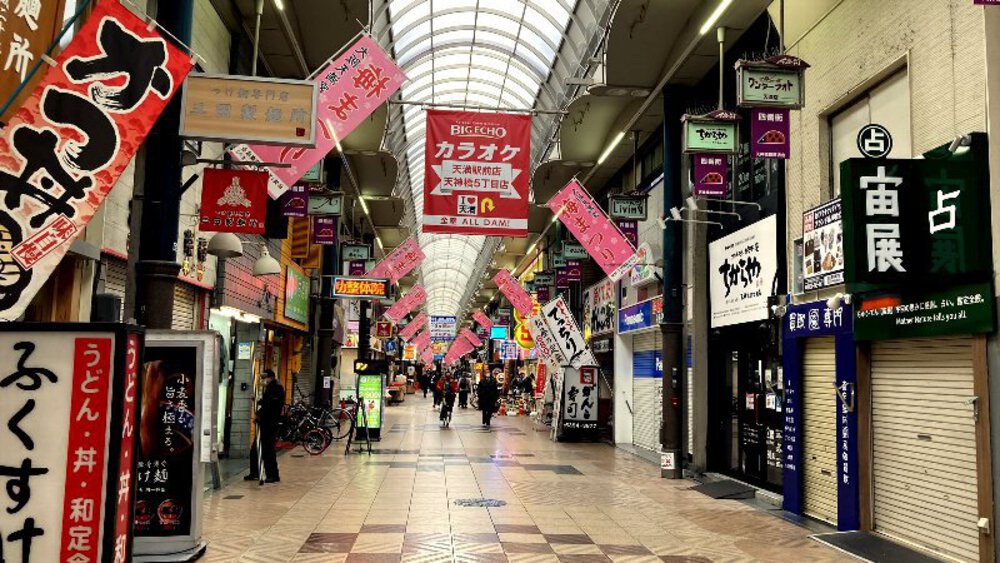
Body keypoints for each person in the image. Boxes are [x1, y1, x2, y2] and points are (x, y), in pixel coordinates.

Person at [245, 370, 284, 483]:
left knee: (267, 449)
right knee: (255, 449)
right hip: (265, 423)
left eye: (264, 378)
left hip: (269, 424)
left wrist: (259, 414)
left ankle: (273, 475)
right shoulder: (271, 388)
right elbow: (267, 403)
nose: (263, 380)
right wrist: (259, 401)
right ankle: (255, 472)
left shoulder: (276, 388)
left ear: (270, 377)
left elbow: (271, 406)